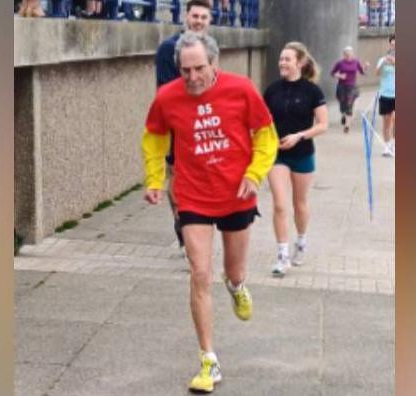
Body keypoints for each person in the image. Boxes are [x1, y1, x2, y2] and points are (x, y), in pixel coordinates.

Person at [142, 31, 278, 393]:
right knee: (199, 271)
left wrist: (255, 174)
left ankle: (236, 286)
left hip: (237, 193)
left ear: (214, 63)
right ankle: (208, 360)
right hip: (192, 196)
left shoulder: (242, 89)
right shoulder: (167, 97)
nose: (192, 77)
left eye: (199, 68)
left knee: (233, 270)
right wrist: (155, 180)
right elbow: (154, 137)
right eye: (185, 70)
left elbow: (266, 135)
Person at [264, 42, 329, 277]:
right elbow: (262, 121)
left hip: (302, 154)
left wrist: (299, 136)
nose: (282, 63)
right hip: (277, 154)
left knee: (299, 204)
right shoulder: (272, 90)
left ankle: (300, 242)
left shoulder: (312, 91)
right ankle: (282, 256)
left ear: (299, 63)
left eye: (287, 59)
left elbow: (323, 125)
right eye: (281, 59)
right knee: (280, 204)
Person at [154, 0, 213, 256]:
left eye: (203, 17)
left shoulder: (210, 48)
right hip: (178, 124)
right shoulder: (169, 49)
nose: (198, 21)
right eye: (195, 16)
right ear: (186, 16)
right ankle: (183, 227)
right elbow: (167, 91)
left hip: (205, 121)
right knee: (177, 176)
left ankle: (194, 226)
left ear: (209, 20)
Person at [330, 46, 369, 133]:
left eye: (350, 54)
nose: (348, 56)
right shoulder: (339, 63)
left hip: (352, 87)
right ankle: (343, 114)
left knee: (349, 104)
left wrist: (365, 67)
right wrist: (339, 76)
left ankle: (347, 126)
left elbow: (362, 72)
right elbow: (332, 73)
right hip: (341, 86)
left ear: (352, 54)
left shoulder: (356, 62)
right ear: (343, 55)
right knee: (342, 104)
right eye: (346, 55)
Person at [376, 35, 395, 157]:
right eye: (392, 44)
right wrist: (384, 63)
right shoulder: (382, 59)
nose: (394, 46)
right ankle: (387, 146)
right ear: (389, 45)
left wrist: (394, 63)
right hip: (385, 93)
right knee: (386, 121)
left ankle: (394, 143)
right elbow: (377, 73)